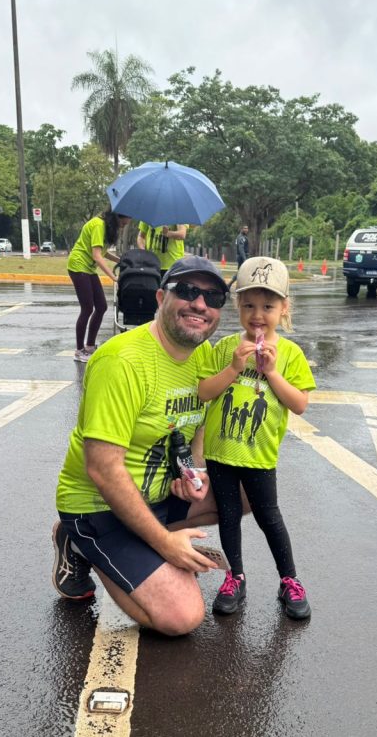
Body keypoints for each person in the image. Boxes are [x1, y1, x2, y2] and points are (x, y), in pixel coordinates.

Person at [52, 256, 234, 637]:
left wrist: (192, 473)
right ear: (159, 298)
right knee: (182, 618)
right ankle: (79, 542)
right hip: (98, 505)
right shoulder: (123, 361)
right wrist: (166, 545)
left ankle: (141, 541)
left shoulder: (199, 354)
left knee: (245, 491)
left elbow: (194, 426)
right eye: (186, 291)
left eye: (213, 296)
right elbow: (103, 469)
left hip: (155, 492)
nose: (200, 304)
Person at [198, 256, 315, 620]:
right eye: (248, 305)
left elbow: (299, 404)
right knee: (228, 516)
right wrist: (234, 367)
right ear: (238, 307)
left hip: (259, 455)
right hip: (221, 452)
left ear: (284, 308)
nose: (257, 315)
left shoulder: (291, 354)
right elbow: (204, 393)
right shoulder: (226, 349)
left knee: (269, 517)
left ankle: (290, 580)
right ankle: (235, 577)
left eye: (268, 306)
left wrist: (273, 374)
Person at [67, 209, 131, 363]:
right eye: (122, 223)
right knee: (87, 308)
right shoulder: (98, 225)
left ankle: (89, 346)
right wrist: (113, 277)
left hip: (88, 268)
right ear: (116, 218)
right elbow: (97, 256)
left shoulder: (104, 227)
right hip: (78, 265)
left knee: (101, 306)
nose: (122, 227)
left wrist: (121, 261)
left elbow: (103, 252)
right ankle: (79, 350)